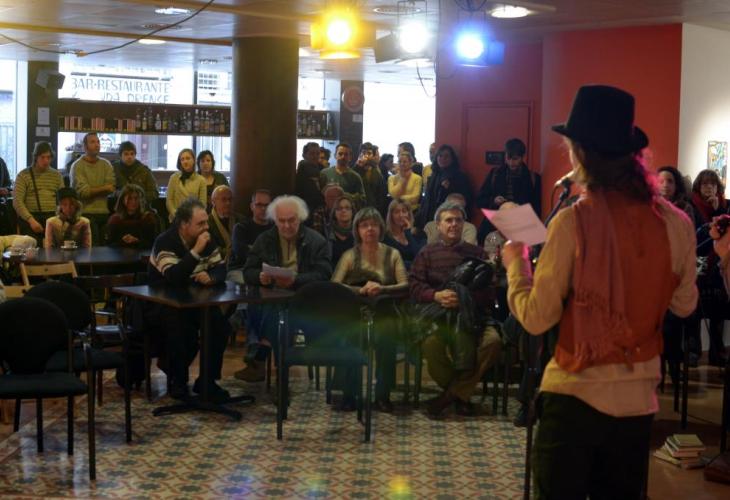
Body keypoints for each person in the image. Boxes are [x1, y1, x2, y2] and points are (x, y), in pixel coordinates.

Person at [502, 85, 698, 498]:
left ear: (580, 153)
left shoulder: (572, 222)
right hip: (637, 404)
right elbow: (684, 305)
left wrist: (516, 263)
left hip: (573, 396)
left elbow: (537, 317)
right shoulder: (677, 224)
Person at [409, 200, 502, 418]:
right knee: (430, 344)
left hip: (474, 317)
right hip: (438, 316)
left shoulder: (477, 254)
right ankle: (461, 395)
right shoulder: (426, 253)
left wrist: (464, 299)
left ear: (464, 224)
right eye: (448, 220)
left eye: (458, 220)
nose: (453, 224)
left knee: (493, 342)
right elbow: (414, 286)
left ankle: (450, 396)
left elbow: (489, 291)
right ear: (438, 225)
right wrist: (436, 295)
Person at [238, 195, 332, 381]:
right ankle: (281, 369)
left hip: (303, 299)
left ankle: (260, 359)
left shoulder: (316, 241)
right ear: (275, 220)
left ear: (300, 218)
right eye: (282, 221)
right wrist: (260, 276)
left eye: (291, 220)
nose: (287, 226)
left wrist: (296, 280)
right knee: (263, 308)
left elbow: (324, 273)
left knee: (274, 312)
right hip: (272, 294)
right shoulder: (265, 239)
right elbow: (248, 271)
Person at [148, 198, 230, 400]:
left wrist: (212, 277)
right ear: (184, 224)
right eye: (200, 223)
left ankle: (207, 381)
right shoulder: (165, 241)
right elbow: (174, 277)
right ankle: (178, 381)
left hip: (195, 301)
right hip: (163, 303)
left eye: (206, 222)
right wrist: (195, 252)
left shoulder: (207, 239)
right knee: (181, 328)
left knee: (220, 325)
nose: (206, 227)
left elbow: (220, 268)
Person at [332, 207, 408, 412]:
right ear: (357, 230)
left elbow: (405, 285)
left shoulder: (393, 254)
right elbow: (335, 285)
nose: (370, 229)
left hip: (384, 308)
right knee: (349, 336)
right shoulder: (349, 255)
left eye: (374, 225)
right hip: (355, 309)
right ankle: (349, 394)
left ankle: (383, 395)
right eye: (364, 225)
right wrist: (360, 290)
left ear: (381, 228)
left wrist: (381, 288)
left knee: (387, 337)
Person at [690, 168, 729, 366]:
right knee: (695, 308)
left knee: (719, 308)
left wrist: (717, 211)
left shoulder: (726, 206)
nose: (709, 187)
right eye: (705, 184)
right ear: (698, 186)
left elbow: (725, 232)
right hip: (698, 259)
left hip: (720, 262)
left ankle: (717, 352)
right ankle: (694, 351)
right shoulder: (691, 205)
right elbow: (695, 235)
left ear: (718, 187)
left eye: (713, 184)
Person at [476, 138, 541, 243]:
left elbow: (536, 209)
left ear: (522, 157)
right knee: (489, 247)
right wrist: (494, 201)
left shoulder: (533, 178)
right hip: (494, 225)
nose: (511, 163)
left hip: (520, 226)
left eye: (515, 159)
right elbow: (479, 200)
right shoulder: (495, 174)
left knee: (517, 251)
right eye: (508, 158)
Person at [13, 142, 64, 246]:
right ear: (36, 157)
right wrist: (31, 220)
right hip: (31, 217)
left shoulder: (57, 175)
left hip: (52, 217)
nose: (46, 161)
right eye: (42, 157)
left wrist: (59, 217)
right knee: (32, 249)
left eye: (48, 157)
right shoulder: (24, 175)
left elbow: (62, 199)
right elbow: (17, 202)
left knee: (54, 250)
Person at [70, 132, 116, 246]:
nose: (97, 145)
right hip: (85, 214)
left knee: (106, 247)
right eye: (92, 142)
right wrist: (104, 188)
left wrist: (93, 190)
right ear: (85, 147)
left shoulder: (106, 164)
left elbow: (111, 188)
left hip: (104, 213)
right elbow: (83, 193)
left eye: (98, 142)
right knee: (92, 247)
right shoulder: (77, 166)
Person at [417, 144, 473, 229]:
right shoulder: (434, 175)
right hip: (429, 218)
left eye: (446, 156)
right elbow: (426, 200)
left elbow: (464, 200)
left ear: (452, 159)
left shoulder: (459, 176)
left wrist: (449, 188)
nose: (443, 159)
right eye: (440, 156)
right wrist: (418, 223)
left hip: (448, 220)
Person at [229, 189, 274, 270]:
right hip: (241, 269)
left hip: (269, 270)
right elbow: (243, 255)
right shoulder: (240, 228)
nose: (263, 208)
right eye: (259, 205)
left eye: (267, 205)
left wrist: (254, 249)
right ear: (251, 206)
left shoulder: (276, 228)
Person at [106, 183, 158, 248]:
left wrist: (137, 241)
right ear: (123, 200)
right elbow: (110, 244)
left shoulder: (147, 219)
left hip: (141, 251)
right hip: (119, 252)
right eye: (130, 198)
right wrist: (121, 241)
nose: (133, 202)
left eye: (136, 198)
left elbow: (152, 243)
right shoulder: (115, 220)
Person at [383, 198, 425, 269]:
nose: (401, 215)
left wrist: (408, 233)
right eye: (396, 212)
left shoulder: (419, 234)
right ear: (391, 216)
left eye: (404, 211)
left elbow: (421, 257)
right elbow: (390, 262)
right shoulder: (385, 238)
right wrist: (414, 265)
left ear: (409, 214)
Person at [319, 143, 365, 207]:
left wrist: (345, 195)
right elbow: (319, 195)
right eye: (340, 154)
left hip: (346, 210)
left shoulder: (355, 176)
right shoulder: (325, 173)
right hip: (328, 210)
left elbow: (362, 198)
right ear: (335, 155)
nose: (343, 157)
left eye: (346, 154)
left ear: (350, 157)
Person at [166, 148, 206, 221]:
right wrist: (176, 215)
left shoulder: (201, 180)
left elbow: (202, 203)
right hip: (176, 218)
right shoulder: (174, 178)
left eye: (188, 158)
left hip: (194, 219)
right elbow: (169, 201)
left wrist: (194, 217)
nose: (185, 161)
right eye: (182, 159)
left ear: (194, 160)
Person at [207, 185, 241, 262]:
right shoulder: (206, 223)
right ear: (213, 202)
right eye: (224, 199)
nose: (228, 203)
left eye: (230, 199)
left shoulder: (241, 220)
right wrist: (232, 252)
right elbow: (211, 248)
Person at [353, 144, 386, 213]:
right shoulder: (355, 170)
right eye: (364, 153)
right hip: (358, 209)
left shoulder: (377, 173)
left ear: (373, 156)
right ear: (360, 155)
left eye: (369, 153)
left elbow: (381, 195)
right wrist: (357, 166)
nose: (366, 156)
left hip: (373, 209)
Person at [326, 194, 355, 266]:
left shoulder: (359, 231)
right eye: (339, 208)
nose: (343, 210)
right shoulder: (326, 232)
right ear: (334, 213)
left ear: (352, 212)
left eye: (347, 208)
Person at [295, 142, 324, 213]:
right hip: (304, 207)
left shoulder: (322, 168)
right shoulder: (302, 167)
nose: (315, 156)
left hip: (320, 207)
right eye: (312, 153)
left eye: (318, 153)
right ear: (304, 155)